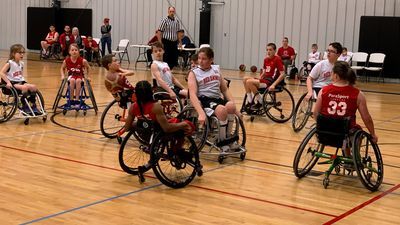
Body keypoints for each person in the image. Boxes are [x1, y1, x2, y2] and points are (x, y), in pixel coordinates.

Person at [313, 61, 378, 147]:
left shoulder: (323, 91)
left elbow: (315, 113)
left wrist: (322, 125)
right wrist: (372, 134)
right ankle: (353, 157)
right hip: (346, 133)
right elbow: (367, 118)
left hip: (325, 132)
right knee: (357, 131)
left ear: (336, 75)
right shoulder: (358, 94)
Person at [188, 47, 239, 152]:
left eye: (204, 59)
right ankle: (222, 142)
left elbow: (224, 89)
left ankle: (229, 139)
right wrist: (201, 113)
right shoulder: (194, 73)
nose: (200, 61)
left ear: (211, 60)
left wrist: (236, 110)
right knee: (221, 110)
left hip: (216, 98)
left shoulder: (216, 70)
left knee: (231, 106)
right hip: (204, 100)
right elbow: (192, 94)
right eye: (199, 58)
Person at [242, 43, 285, 109]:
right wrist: (258, 78)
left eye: (270, 50)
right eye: (267, 50)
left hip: (270, 81)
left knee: (249, 82)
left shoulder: (277, 59)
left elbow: (282, 74)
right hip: (264, 79)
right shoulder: (266, 59)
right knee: (245, 79)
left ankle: (260, 102)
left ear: (275, 51)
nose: (268, 51)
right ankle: (250, 102)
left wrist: (273, 85)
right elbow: (264, 72)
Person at [0, 44, 39, 113]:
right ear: (13, 53)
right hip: (11, 83)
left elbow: (20, 75)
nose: (22, 55)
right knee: (24, 88)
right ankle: (24, 105)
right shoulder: (9, 63)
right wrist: (8, 82)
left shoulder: (22, 63)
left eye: (23, 53)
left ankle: (33, 104)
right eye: (20, 53)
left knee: (34, 87)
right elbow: (2, 73)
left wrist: (24, 82)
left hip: (20, 81)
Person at [60, 43, 91, 108]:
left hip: (80, 75)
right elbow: (62, 68)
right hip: (71, 75)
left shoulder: (83, 60)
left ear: (78, 51)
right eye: (72, 50)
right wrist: (62, 75)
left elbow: (88, 67)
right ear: (69, 52)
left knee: (78, 81)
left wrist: (88, 76)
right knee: (72, 80)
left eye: (76, 50)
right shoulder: (66, 61)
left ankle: (77, 100)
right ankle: (71, 100)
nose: (74, 51)